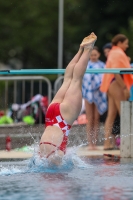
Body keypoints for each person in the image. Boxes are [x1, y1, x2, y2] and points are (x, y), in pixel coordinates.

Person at [39, 32, 97, 164]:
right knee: (67, 80)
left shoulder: (54, 157)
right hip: (51, 115)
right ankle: (80, 49)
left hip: (63, 119)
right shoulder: (41, 155)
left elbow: (60, 158)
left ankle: (88, 48)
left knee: (76, 80)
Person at [100, 34, 133, 150]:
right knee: (124, 114)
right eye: (126, 43)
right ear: (119, 43)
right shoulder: (117, 53)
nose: (127, 46)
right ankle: (127, 144)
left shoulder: (114, 52)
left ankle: (107, 143)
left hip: (111, 84)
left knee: (111, 115)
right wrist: (124, 87)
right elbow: (117, 72)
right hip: (116, 84)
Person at [82, 47, 107, 150]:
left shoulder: (102, 65)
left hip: (98, 94)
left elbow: (104, 79)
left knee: (96, 119)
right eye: (91, 55)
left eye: (95, 55)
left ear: (99, 55)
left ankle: (95, 143)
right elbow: (84, 80)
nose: (93, 57)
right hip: (88, 94)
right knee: (90, 118)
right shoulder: (85, 65)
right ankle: (90, 143)